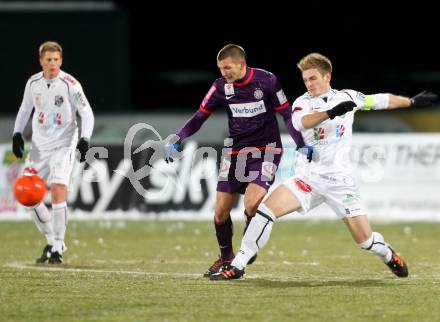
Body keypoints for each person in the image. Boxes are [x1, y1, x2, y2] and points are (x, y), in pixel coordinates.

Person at [210, 52, 437, 280]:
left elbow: (379, 100)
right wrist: (330, 113)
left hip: (339, 182)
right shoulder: (303, 103)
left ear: (327, 76)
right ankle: (238, 266)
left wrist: (412, 102)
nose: (308, 84)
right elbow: (300, 123)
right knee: (265, 211)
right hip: (307, 179)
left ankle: (387, 253)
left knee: (365, 241)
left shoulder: (348, 97)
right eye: (305, 80)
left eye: (313, 78)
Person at [164, 44, 311, 277]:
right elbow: (200, 116)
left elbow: (286, 113)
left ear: (241, 64)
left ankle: (245, 253)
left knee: (252, 204)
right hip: (235, 152)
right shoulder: (220, 87)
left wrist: (301, 143)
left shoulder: (267, 81)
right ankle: (226, 258)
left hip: (267, 150)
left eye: (228, 68)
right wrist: (178, 137)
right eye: (221, 68)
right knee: (221, 211)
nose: (224, 73)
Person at [12, 41, 94, 264]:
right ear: (41, 61)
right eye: (48, 60)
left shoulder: (70, 84)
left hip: (63, 144)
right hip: (39, 147)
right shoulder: (33, 83)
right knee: (27, 195)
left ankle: (58, 246)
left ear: (61, 61)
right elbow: (24, 108)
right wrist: (17, 133)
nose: (52, 64)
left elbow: (87, 114)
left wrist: (85, 139)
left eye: (56, 60)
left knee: (58, 189)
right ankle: (51, 239)